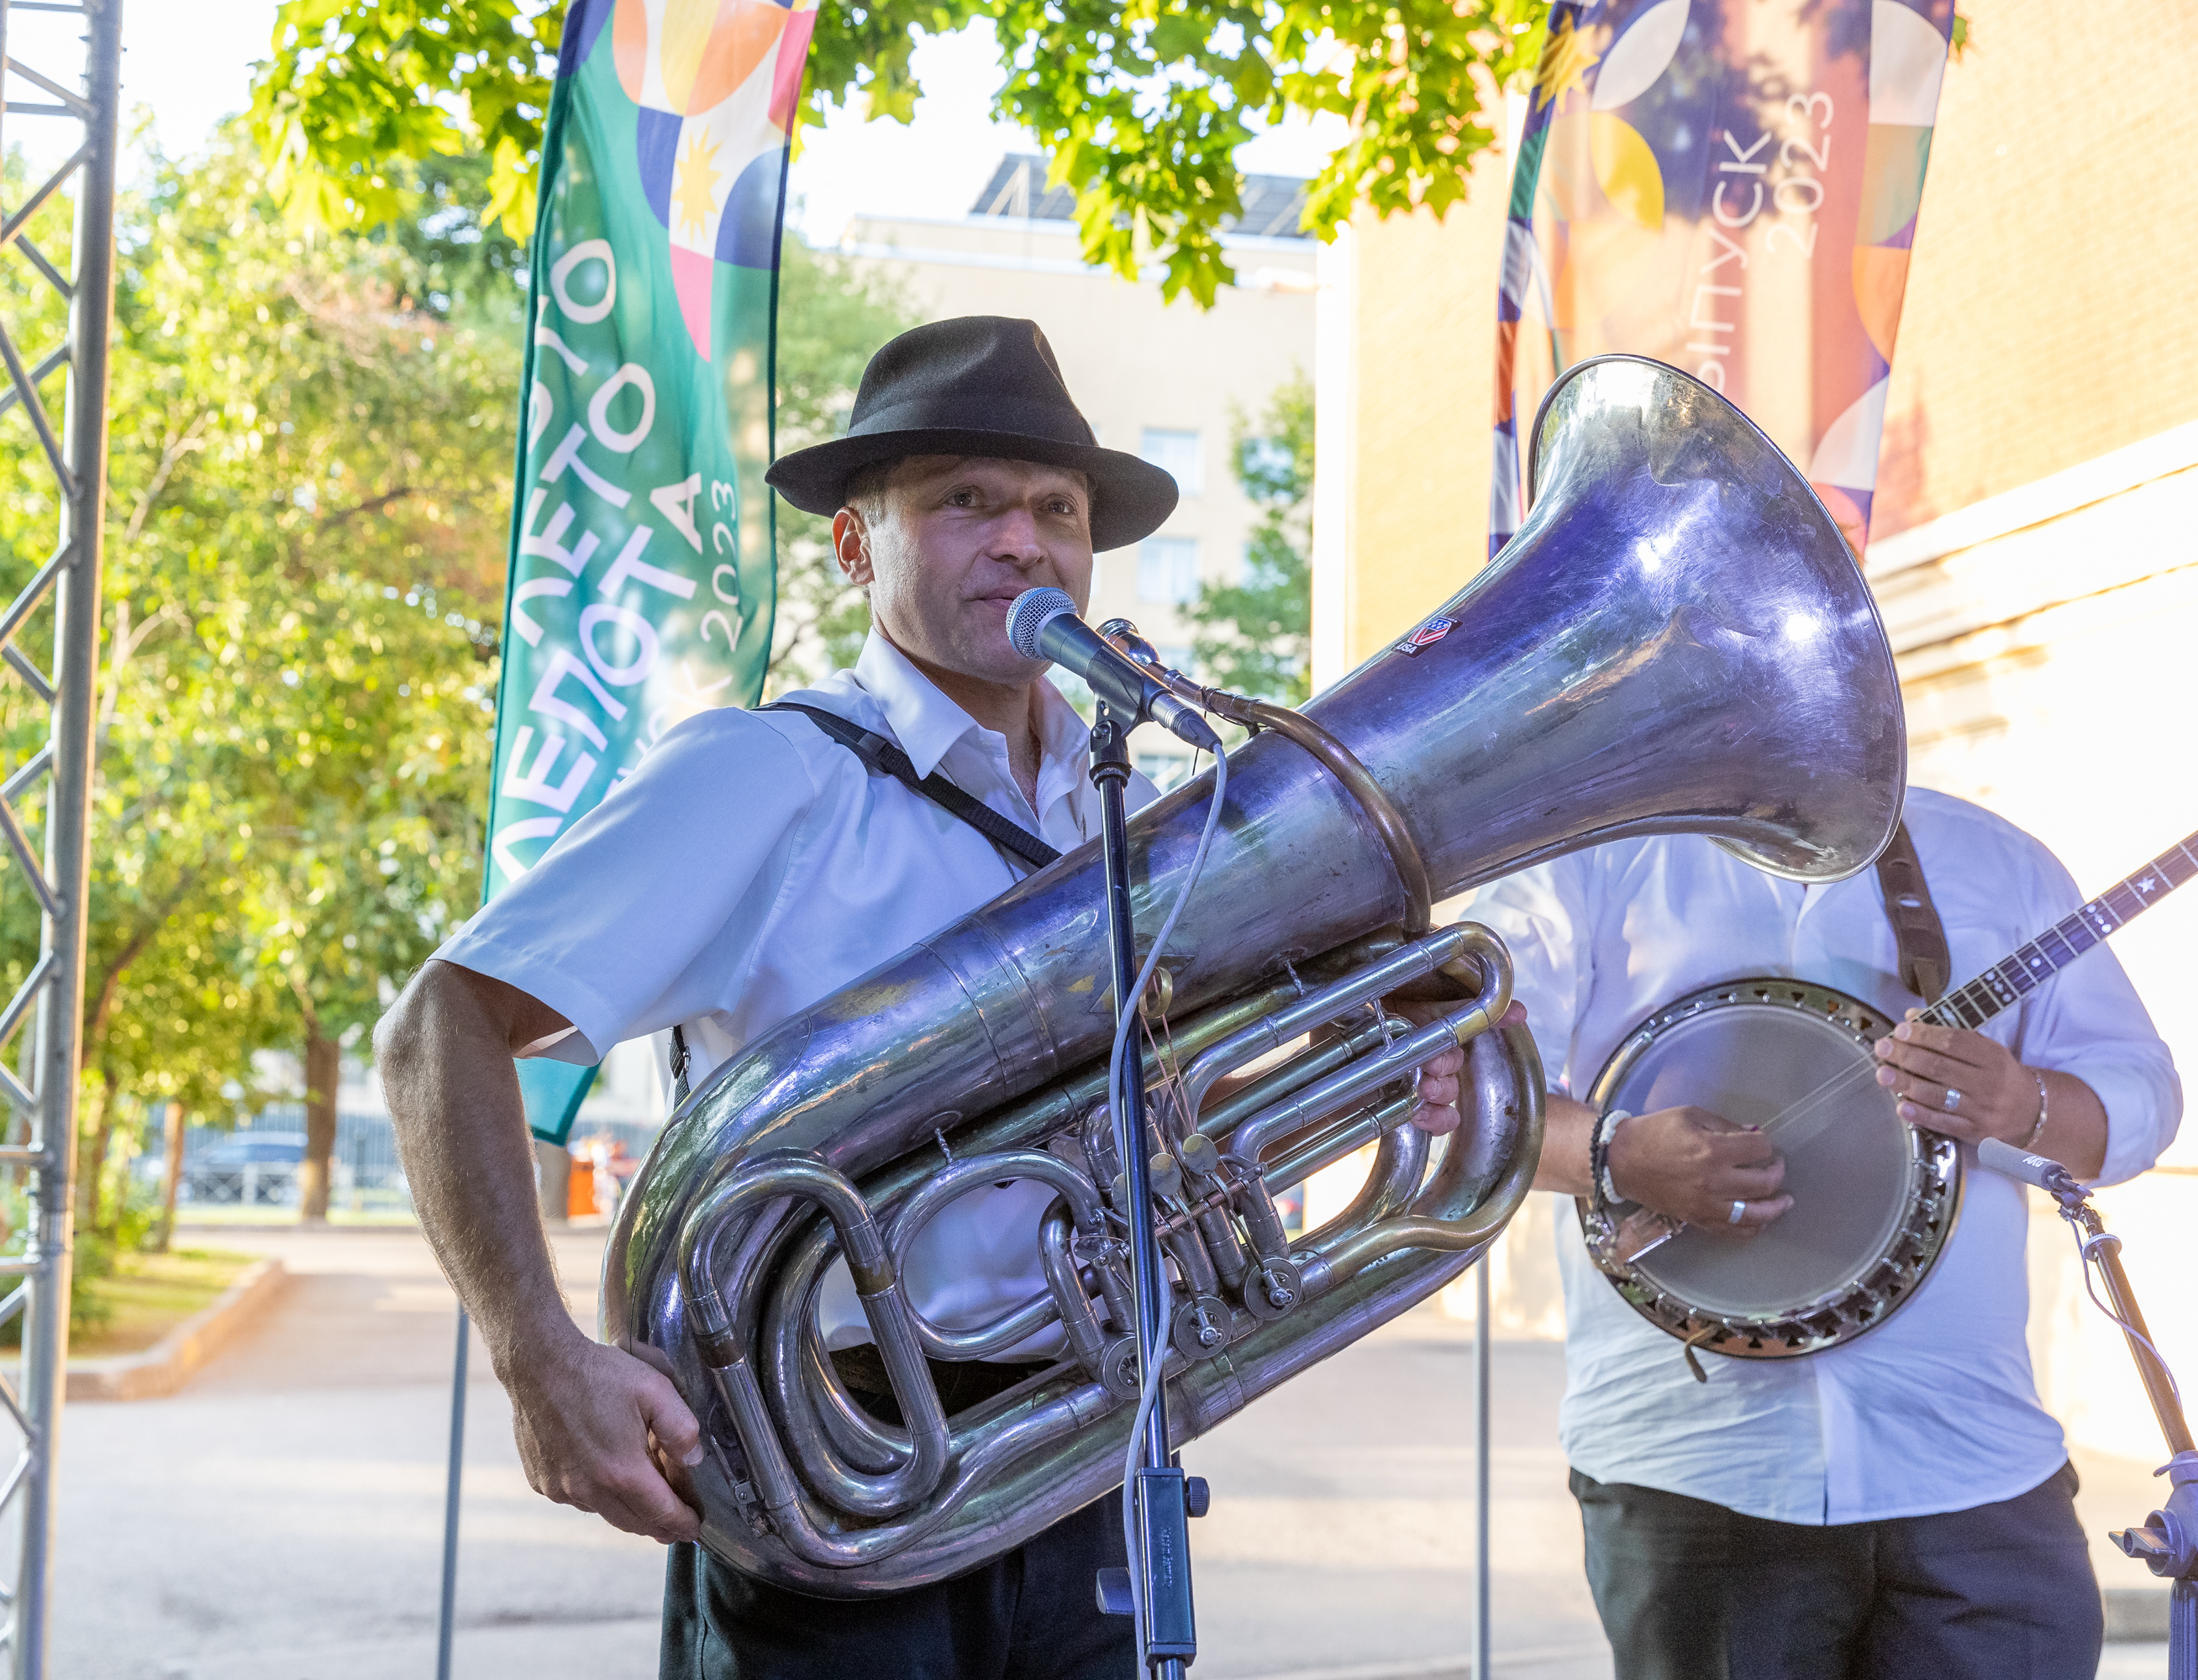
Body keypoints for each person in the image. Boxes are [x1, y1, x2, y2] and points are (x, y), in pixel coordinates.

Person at [376, 315, 1476, 1678]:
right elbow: (443, 1030)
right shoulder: (768, 776)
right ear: (857, 546)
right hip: (838, 1460)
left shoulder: (1127, 805)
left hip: (1090, 1449)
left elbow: (1124, 1125)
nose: (1025, 541)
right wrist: (535, 1353)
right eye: (967, 501)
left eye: (1057, 510)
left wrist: (1371, 1064)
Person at [1462, 785, 2184, 1680]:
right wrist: (1617, 1152)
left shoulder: (1997, 860)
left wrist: (2021, 1103)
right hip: (1702, 1472)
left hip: (1976, 1467)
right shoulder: (1590, 856)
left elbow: (2143, 1094)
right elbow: (1456, 1082)